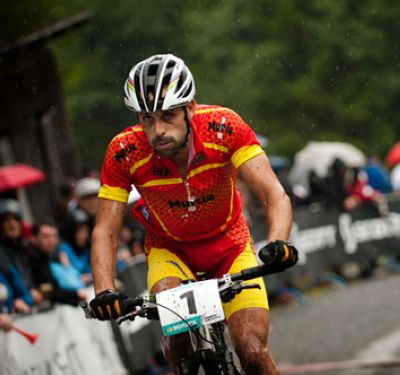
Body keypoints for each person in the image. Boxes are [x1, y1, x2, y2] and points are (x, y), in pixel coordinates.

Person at [89, 54, 298, 374]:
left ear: (190, 108)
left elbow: (274, 194)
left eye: (168, 115)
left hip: (230, 243)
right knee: (179, 344)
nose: (157, 130)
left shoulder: (224, 127)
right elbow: (106, 229)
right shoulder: (124, 151)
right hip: (169, 251)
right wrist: (104, 289)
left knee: (252, 349)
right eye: (146, 118)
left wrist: (277, 243)